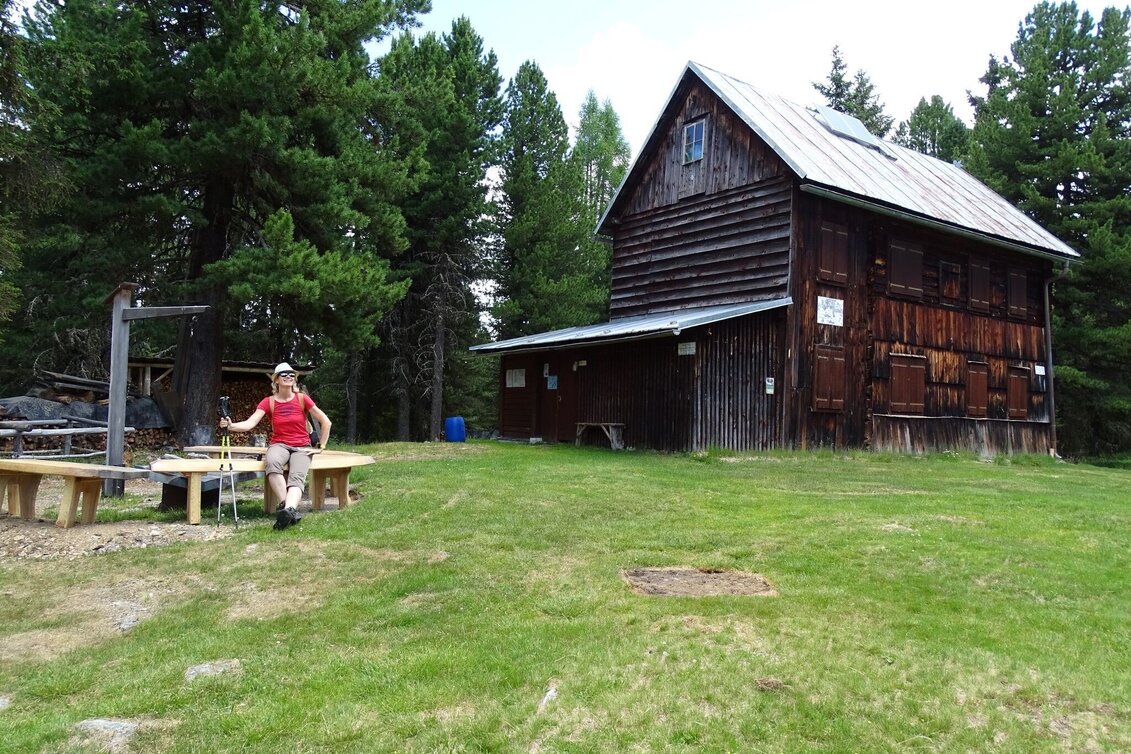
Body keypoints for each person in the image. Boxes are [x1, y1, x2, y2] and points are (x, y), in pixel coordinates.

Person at [219, 362, 332, 530]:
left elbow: (326, 422)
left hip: (302, 446)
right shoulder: (268, 402)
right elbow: (250, 423)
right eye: (284, 374)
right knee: (271, 463)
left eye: (292, 375)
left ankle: (287, 510)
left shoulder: (302, 398)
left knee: (297, 475)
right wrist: (230, 426)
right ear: (276, 380)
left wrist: (320, 446)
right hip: (279, 444)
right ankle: (288, 509)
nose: (289, 377)